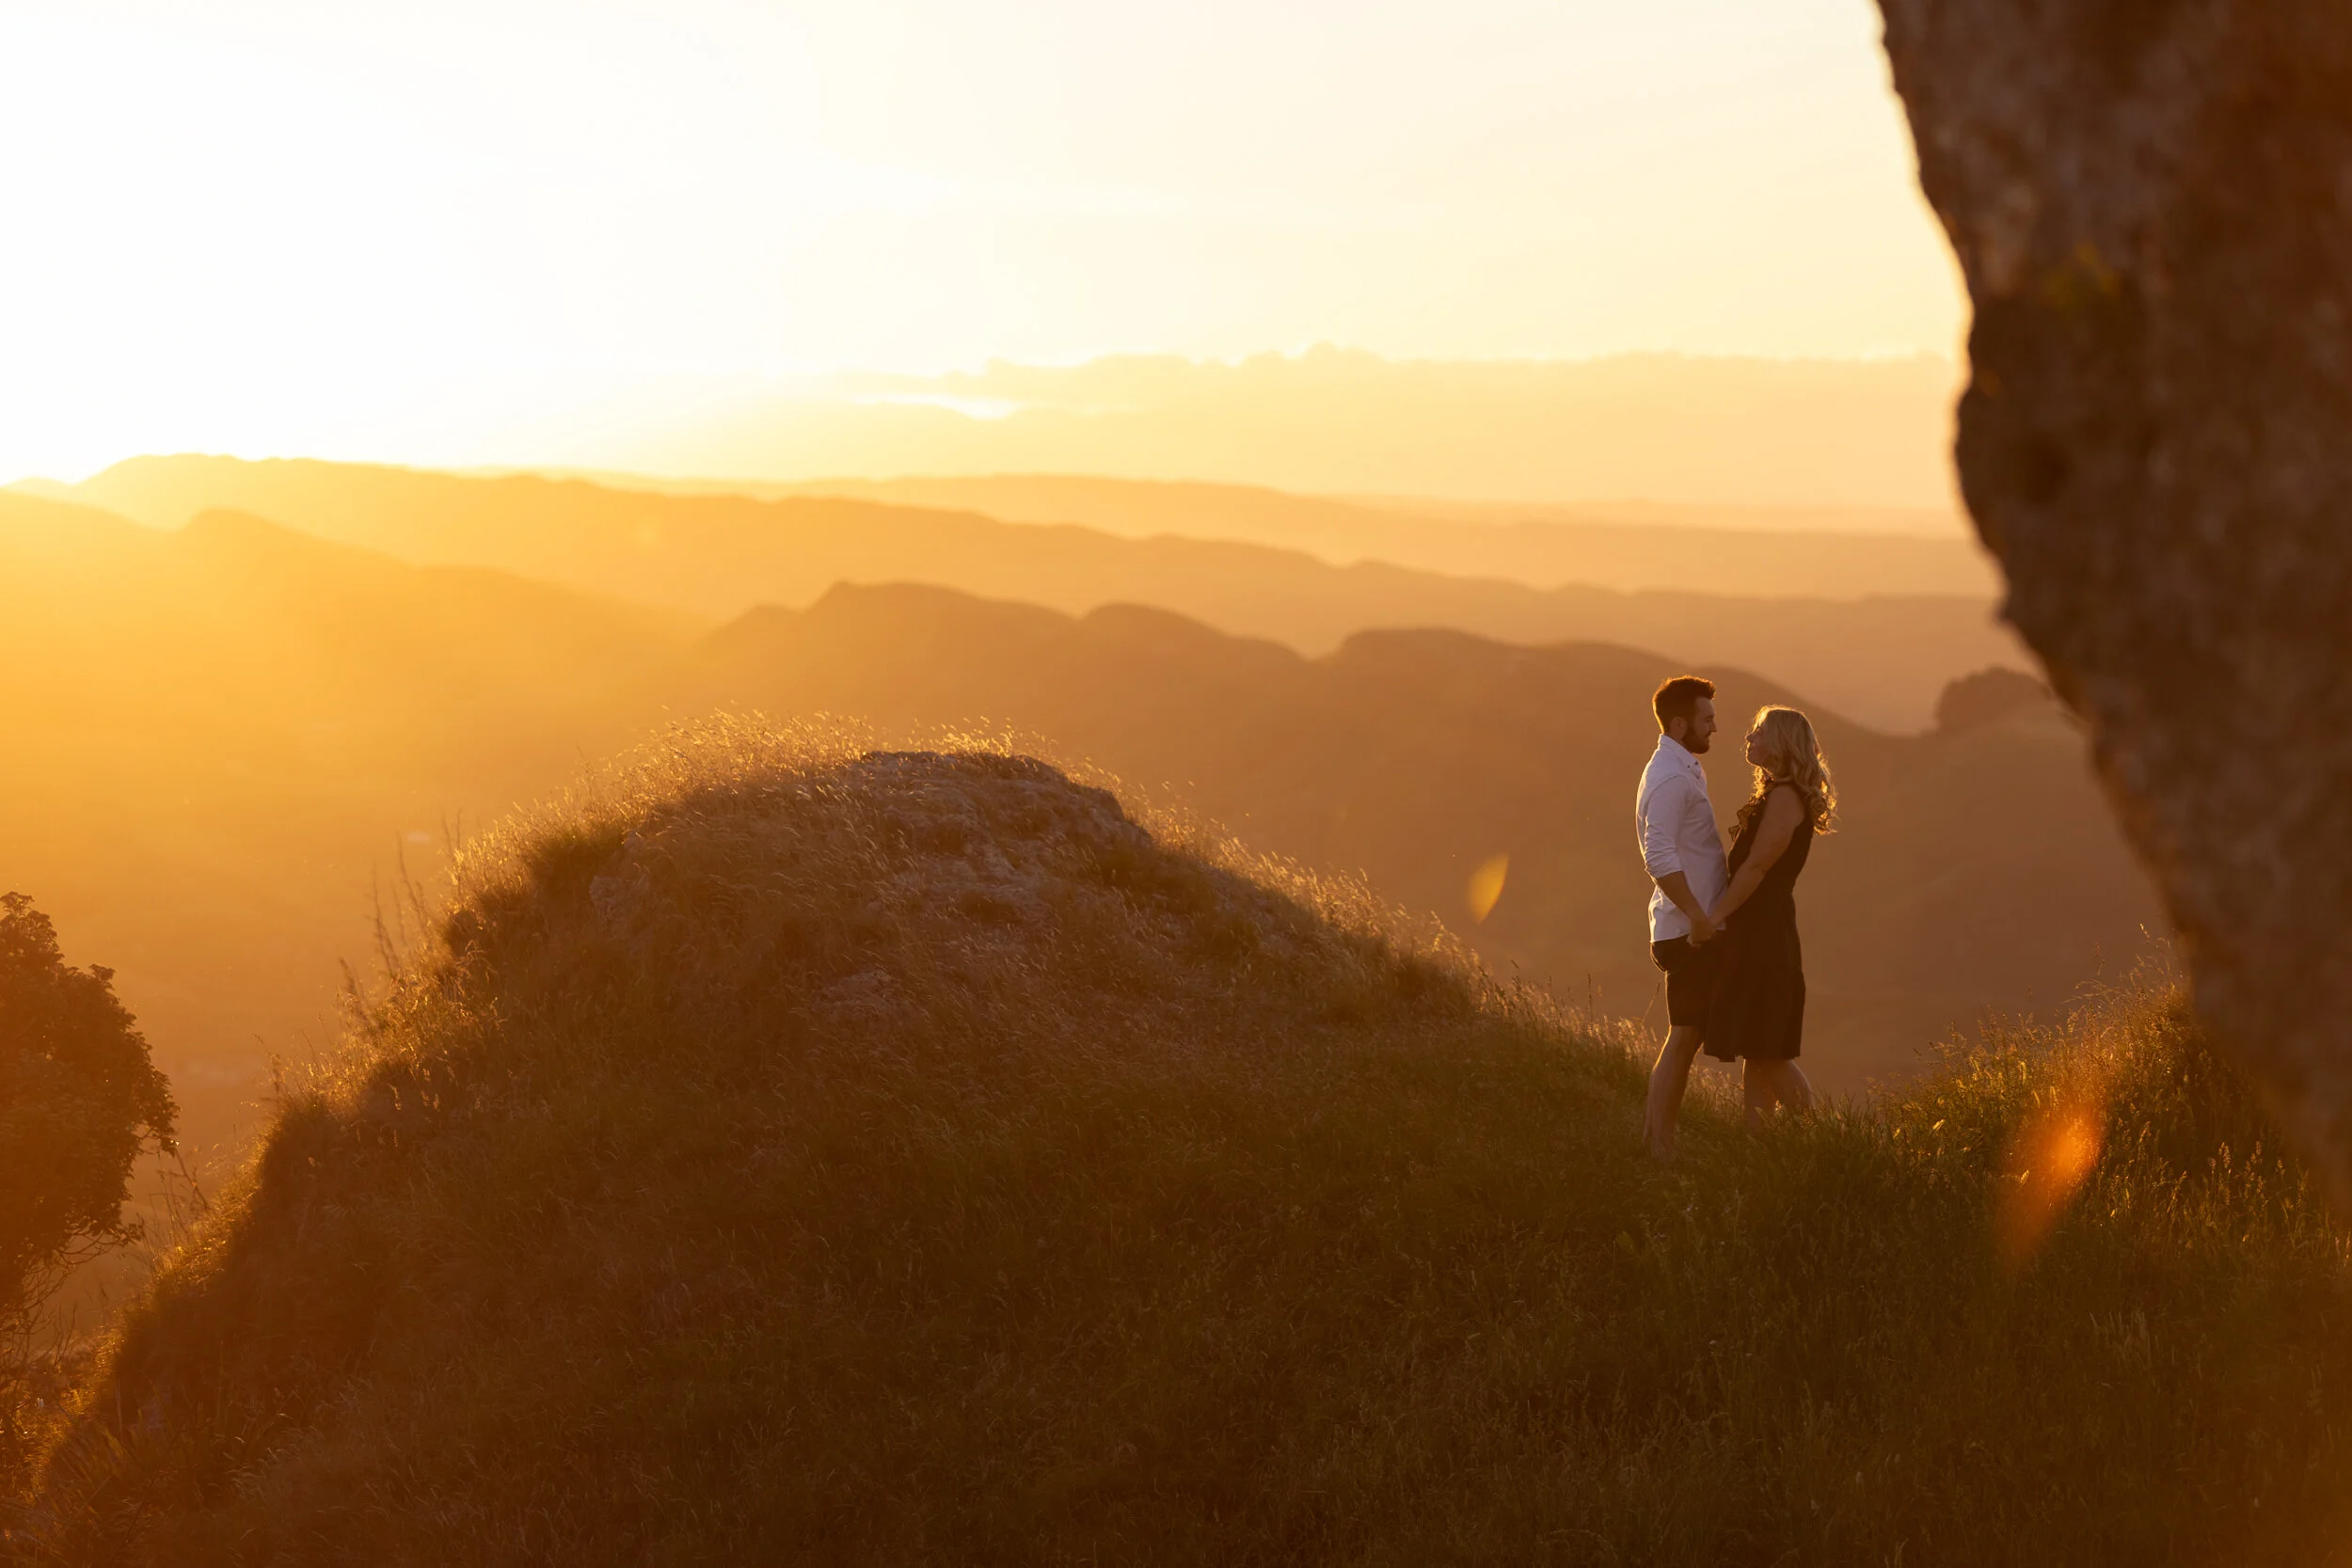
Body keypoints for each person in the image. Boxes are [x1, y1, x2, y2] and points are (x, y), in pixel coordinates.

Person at [1702, 705, 1835, 1129]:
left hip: (1763, 935)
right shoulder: (1781, 794)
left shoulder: (1784, 797)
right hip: (1760, 931)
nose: (1748, 739)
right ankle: (1754, 1145)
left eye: (1757, 733)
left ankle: (1820, 1141)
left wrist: (1714, 916)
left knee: (1767, 1051)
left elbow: (1758, 867)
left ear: (1779, 743)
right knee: (1757, 1046)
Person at [1637, 674, 1728, 1161]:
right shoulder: (1672, 779)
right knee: (1684, 1036)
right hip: (1686, 930)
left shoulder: (1680, 768)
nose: (1715, 728)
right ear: (1679, 723)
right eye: (1706, 719)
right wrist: (1696, 915)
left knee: (1687, 1037)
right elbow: (1658, 855)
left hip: (1687, 925)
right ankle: (1659, 1147)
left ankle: (1657, 1141)